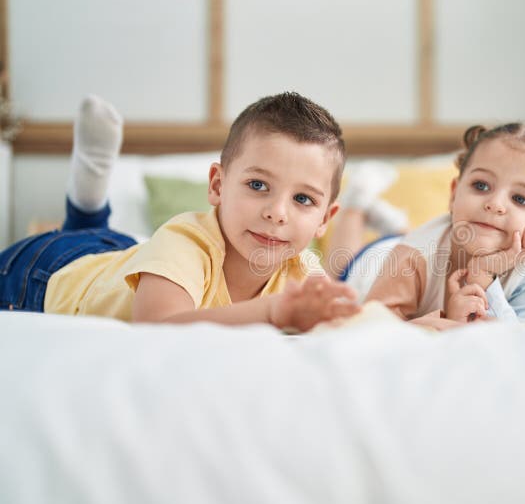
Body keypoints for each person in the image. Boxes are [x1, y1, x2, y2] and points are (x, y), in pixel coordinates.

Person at [0, 92, 360, 332]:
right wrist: (271, 312)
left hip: (123, 253)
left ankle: (87, 208)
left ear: (325, 220)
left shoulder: (303, 269)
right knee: (79, 243)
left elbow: (339, 322)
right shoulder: (185, 241)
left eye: (303, 200)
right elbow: (156, 328)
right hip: (43, 273)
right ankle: (85, 203)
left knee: (109, 247)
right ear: (217, 186)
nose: (277, 213)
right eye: (258, 185)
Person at [331, 122, 525, 331]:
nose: (495, 204)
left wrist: (484, 277)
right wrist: (440, 324)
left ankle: (391, 221)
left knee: (416, 236)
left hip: (424, 240)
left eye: (520, 199)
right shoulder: (412, 255)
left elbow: (524, 339)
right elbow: (376, 327)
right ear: (454, 195)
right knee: (341, 270)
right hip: (376, 264)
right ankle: (357, 202)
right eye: (481, 186)